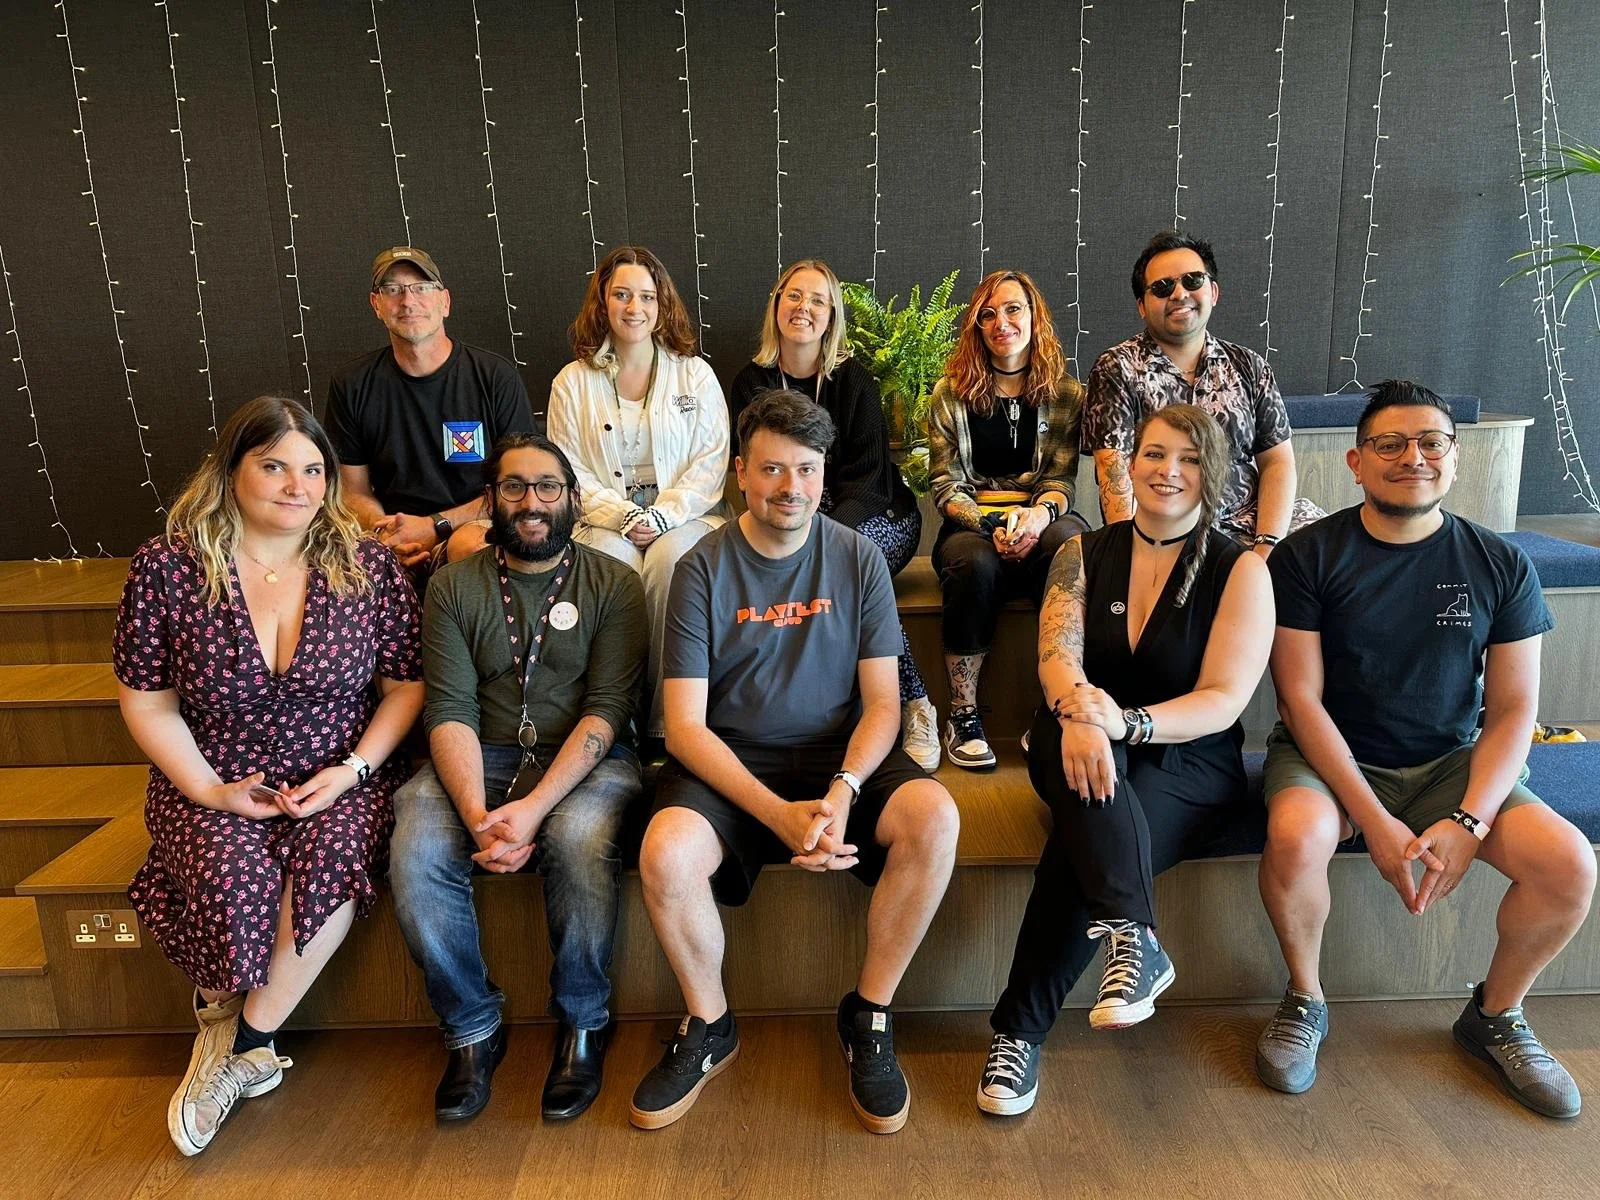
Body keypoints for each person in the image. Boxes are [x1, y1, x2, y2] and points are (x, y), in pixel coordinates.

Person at [1255, 379, 1595, 1119]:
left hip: (1450, 762)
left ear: (1454, 456)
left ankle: (1495, 1016)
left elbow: (1514, 711)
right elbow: (1299, 701)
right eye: (1390, 444)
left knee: (1569, 864)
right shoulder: (1308, 557)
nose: (1413, 457)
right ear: (1356, 462)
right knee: (1296, 836)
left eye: (1431, 442)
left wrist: (1470, 821)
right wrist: (1374, 818)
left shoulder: (1499, 563)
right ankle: (1305, 998)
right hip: (1329, 755)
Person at [629, 390, 959, 1135]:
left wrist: (842, 790)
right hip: (731, 757)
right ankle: (709, 1023)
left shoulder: (858, 557)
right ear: (741, 473)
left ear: (823, 473)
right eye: (773, 469)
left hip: (839, 755)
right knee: (665, 851)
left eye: (806, 469)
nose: (791, 487)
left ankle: (869, 1015)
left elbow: (884, 706)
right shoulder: (700, 568)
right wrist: (777, 815)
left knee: (935, 816)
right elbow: (684, 729)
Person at [113, 396, 424, 1155]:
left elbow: (405, 686)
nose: (297, 486)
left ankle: (243, 1044)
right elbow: (147, 702)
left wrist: (352, 771)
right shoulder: (168, 567)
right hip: (212, 771)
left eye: (314, 470)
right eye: (275, 465)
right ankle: (223, 1015)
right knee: (228, 864)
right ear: (231, 470)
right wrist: (209, 790)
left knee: (330, 858)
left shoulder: (367, 565)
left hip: (339, 772)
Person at [976, 405, 1273, 1116]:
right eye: (1155, 454)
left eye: (1190, 459)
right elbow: (1057, 658)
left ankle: (1019, 1032)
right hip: (1080, 735)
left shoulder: (1239, 569)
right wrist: (1081, 717)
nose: (1169, 471)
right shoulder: (1082, 552)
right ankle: (1136, 936)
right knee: (1074, 765)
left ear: (1213, 474)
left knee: (1084, 839)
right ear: (1129, 465)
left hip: (1186, 760)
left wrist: (1127, 724)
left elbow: (1224, 699)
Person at [388, 432, 647, 1123]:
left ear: (573, 500)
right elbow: (449, 709)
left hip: (589, 758)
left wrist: (531, 810)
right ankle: (472, 1027)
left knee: (579, 838)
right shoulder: (453, 586)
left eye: (547, 487)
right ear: (491, 499)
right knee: (415, 843)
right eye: (514, 487)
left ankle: (584, 1020)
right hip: (482, 755)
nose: (531, 502)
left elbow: (607, 711)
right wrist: (478, 814)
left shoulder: (614, 584)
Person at [729, 259, 938, 770]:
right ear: (777, 306)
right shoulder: (750, 383)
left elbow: (870, 479)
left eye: (818, 301)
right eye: (794, 296)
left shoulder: (854, 381)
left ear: (831, 317)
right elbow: (756, 472)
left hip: (879, 515)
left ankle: (914, 703)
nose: (804, 308)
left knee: (856, 565)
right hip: (792, 523)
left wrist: (824, 539)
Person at [546, 245, 729, 746]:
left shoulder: (695, 374)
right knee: (614, 566)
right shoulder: (571, 383)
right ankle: (615, 722)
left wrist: (663, 516)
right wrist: (625, 516)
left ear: (661, 304)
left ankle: (667, 726)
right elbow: (568, 470)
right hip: (602, 521)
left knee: (673, 562)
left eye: (646, 296)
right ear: (602, 302)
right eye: (622, 295)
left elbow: (711, 463)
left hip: (687, 517)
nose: (635, 307)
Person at [927, 269, 1088, 769]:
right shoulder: (950, 394)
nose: (1002, 323)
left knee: (1073, 546)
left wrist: (1037, 516)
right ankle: (963, 712)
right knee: (972, 565)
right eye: (988, 314)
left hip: (1040, 516)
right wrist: (989, 525)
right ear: (976, 326)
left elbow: (1060, 480)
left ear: (1034, 316)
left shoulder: (1066, 394)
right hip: (971, 524)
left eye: (1013, 309)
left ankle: (1055, 704)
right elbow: (945, 484)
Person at [1082, 229, 1322, 552]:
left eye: (1192, 280)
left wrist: (1265, 548)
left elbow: (1277, 462)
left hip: (1255, 526)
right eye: (1163, 287)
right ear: (1142, 306)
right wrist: (1132, 554)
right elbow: (1113, 470)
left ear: (1213, 291)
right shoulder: (1116, 368)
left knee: (1330, 552)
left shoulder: (1249, 365)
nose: (1179, 294)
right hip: (1171, 532)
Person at [326, 246, 536, 570]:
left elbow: (519, 486)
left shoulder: (495, 377)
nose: (408, 301)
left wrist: (435, 525)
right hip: (392, 539)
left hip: (472, 529)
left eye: (422, 288)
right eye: (392, 289)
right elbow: (351, 492)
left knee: (471, 546)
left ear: (445, 302)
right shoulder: (351, 384)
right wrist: (387, 532)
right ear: (376, 305)